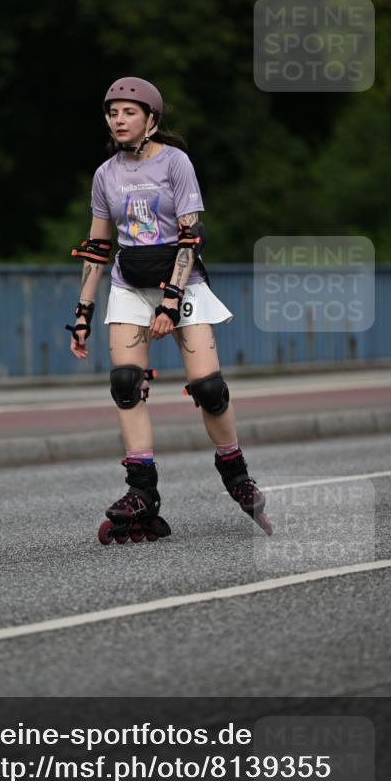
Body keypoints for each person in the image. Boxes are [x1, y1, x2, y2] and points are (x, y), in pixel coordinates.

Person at [66, 76, 271, 543]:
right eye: (112, 112)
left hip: (182, 281)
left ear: (151, 119)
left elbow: (190, 237)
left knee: (208, 386)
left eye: (128, 112)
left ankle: (235, 472)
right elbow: (98, 247)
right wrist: (81, 313)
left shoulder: (176, 163)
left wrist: (172, 302)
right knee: (124, 382)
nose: (119, 119)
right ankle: (142, 490)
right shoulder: (106, 175)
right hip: (130, 283)